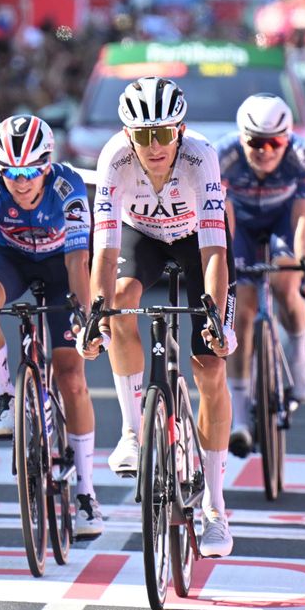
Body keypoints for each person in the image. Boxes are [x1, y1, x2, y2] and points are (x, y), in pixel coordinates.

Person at [78, 76, 237, 558]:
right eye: (143, 135)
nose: (154, 145)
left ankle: (215, 507)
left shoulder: (200, 157)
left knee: (210, 365)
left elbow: (214, 253)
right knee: (118, 302)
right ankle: (131, 431)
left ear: (180, 131)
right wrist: (94, 318)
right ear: (128, 136)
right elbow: (102, 257)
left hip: (197, 243)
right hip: (141, 238)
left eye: (163, 133)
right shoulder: (114, 160)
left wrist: (213, 316)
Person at [0, 114, 104, 538]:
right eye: (11, 172)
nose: (20, 181)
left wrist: (84, 316)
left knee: (71, 376)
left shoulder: (68, 188)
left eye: (30, 172)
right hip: (10, 260)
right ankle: (5, 393)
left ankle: (87, 493)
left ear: (47, 165)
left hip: (60, 266)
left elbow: (78, 261)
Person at [217, 93, 305, 457]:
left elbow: (303, 223)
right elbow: (223, 223)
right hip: (242, 227)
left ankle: (298, 357)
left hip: (283, 222)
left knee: (284, 282)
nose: (264, 151)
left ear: (287, 140)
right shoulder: (223, 158)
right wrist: (227, 269)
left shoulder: (304, 155)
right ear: (241, 138)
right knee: (242, 311)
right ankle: (241, 419)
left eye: (274, 143)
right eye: (255, 143)